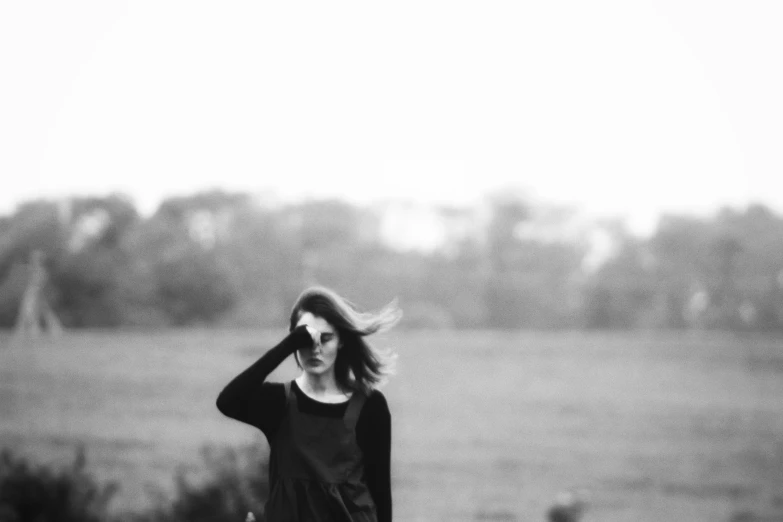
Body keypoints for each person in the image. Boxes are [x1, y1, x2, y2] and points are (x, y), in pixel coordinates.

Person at [217, 286, 401, 522]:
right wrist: (287, 345)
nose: (315, 348)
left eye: (325, 338)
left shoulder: (370, 406)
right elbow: (227, 401)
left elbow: (380, 491)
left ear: (341, 341)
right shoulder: (278, 402)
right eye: (305, 339)